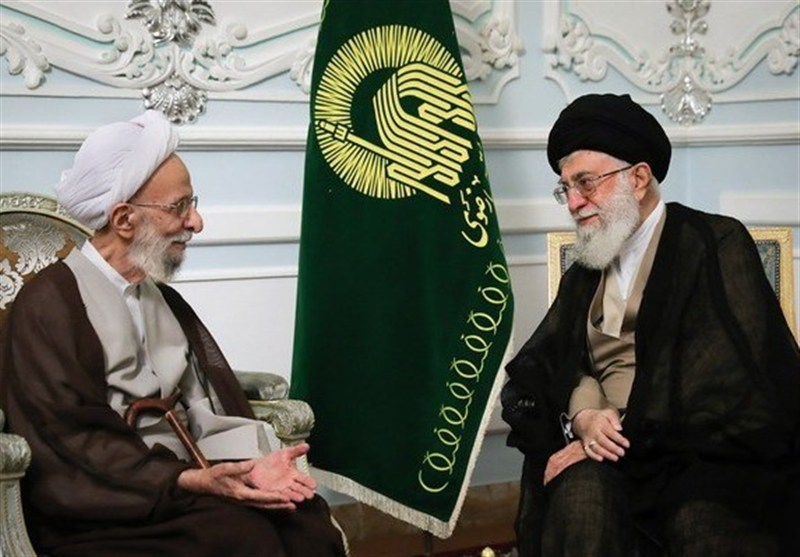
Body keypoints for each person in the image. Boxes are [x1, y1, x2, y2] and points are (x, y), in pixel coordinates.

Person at [0, 111, 347, 557]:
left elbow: (208, 405)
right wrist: (188, 480)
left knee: (303, 524)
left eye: (192, 203)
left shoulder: (163, 299)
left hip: (189, 479)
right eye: (179, 207)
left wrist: (250, 466)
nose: (196, 222)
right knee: (241, 537)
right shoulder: (49, 305)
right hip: (107, 503)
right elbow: (69, 441)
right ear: (124, 219)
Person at [501, 93, 800, 557]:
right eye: (566, 188)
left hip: (701, 454)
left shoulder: (715, 243)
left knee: (701, 523)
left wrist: (626, 429)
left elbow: (731, 379)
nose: (574, 202)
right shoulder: (586, 268)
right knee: (581, 500)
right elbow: (548, 363)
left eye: (586, 183)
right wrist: (584, 416)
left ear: (638, 178)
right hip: (604, 449)